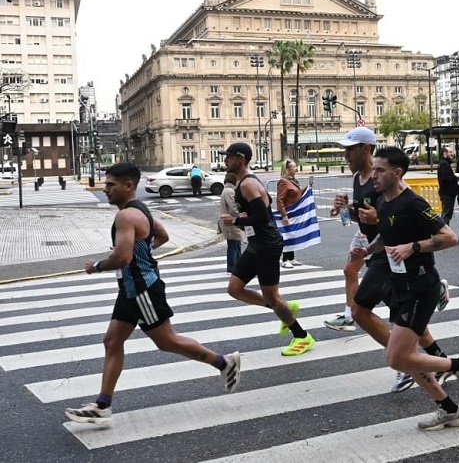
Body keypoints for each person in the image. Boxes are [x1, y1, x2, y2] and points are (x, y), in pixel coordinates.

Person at [65, 162, 241, 425]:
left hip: (142, 290)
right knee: (112, 341)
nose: (106, 189)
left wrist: (97, 266)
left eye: (111, 185)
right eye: (106, 184)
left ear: (128, 186)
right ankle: (102, 406)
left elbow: (122, 257)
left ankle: (224, 363)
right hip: (131, 289)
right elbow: (162, 235)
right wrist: (143, 252)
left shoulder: (126, 216)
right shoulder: (140, 210)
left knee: (167, 341)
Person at [354, 146, 459, 430]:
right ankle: (449, 410)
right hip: (400, 287)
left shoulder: (413, 203)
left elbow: (450, 237)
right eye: (373, 169)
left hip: (420, 287)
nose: (373, 175)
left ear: (397, 173)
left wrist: (413, 247)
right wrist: (368, 250)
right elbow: (387, 236)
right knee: (408, 360)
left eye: (380, 170)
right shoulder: (383, 201)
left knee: (397, 357)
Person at [221, 142, 315, 357]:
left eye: (228, 157)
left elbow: (263, 216)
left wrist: (235, 220)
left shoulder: (247, 184)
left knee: (271, 296)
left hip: (267, 245)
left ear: (241, 158)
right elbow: (263, 207)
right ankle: (284, 308)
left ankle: (301, 336)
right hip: (257, 244)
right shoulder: (245, 182)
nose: (225, 160)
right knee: (235, 288)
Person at [326, 127, 379, 332]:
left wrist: (379, 218)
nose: (345, 155)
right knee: (349, 270)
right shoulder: (358, 177)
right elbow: (360, 216)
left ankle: (434, 287)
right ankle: (349, 315)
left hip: (386, 241)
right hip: (366, 237)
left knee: (395, 292)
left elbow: (401, 213)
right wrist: (345, 208)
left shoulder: (380, 177)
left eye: (350, 149)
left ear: (365, 149)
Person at [277, 159, 305, 268]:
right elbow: (280, 199)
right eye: (293, 167)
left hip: (295, 212)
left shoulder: (293, 180)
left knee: (293, 235)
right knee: (287, 236)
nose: (296, 168)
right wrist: (284, 214)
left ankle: (291, 257)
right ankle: (285, 259)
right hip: (289, 212)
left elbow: (298, 193)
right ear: (288, 169)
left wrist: (308, 189)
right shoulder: (283, 182)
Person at [219, 172, 245, 273]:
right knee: (233, 244)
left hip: (229, 221)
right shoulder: (230, 191)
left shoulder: (227, 190)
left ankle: (237, 265)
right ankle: (232, 267)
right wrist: (241, 216)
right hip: (230, 221)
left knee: (236, 243)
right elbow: (233, 207)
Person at [437, 146, 459, 225]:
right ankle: (443, 232)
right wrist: (456, 177)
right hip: (447, 193)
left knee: (446, 213)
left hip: (446, 192)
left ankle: (443, 232)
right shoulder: (444, 164)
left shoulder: (444, 163)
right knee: (446, 214)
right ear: (445, 153)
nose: (452, 154)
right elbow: (445, 178)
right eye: (450, 152)